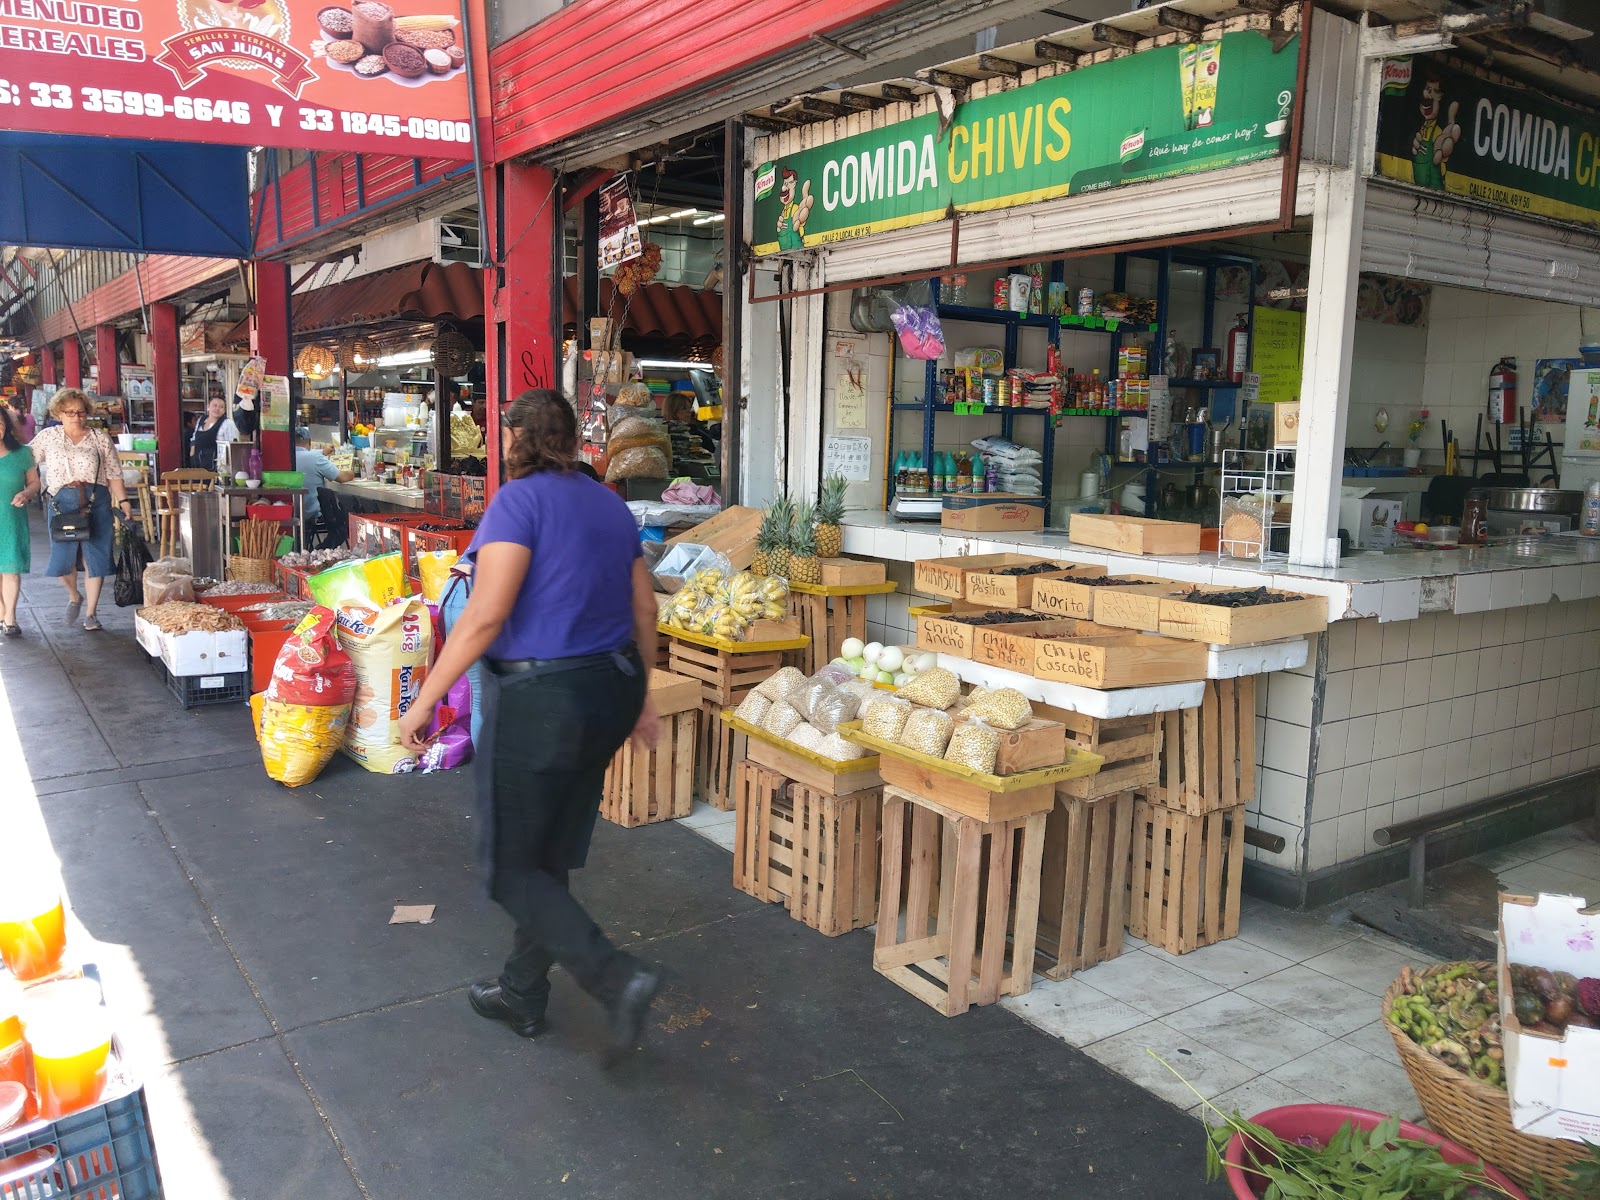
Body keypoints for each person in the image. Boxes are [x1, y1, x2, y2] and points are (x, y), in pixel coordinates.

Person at [397, 389, 662, 1056]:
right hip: (612, 689)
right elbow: (646, 612)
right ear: (572, 439)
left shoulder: (518, 502)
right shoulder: (609, 503)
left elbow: (485, 616)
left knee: (511, 869)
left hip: (546, 699)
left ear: (515, 438)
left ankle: (615, 976)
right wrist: (646, 697)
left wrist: (425, 700)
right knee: (544, 856)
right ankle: (522, 991)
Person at [30, 388, 132, 632]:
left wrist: (124, 501)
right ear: (58, 412)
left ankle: (91, 613)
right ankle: (75, 595)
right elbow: (25, 463)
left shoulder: (99, 438)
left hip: (96, 501)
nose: (76, 416)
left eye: (81, 412)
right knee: (61, 560)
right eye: (69, 412)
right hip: (61, 502)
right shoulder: (48, 437)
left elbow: (113, 473)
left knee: (95, 556)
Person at [0, 406, 41, 637]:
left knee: (11, 568)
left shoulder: (22, 454)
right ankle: (2, 612)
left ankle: (10, 618)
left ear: (6, 426)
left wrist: (27, 494)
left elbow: (34, 482)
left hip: (10, 518)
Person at [294, 426, 353, 526]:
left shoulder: (287, 456)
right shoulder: (315, 457)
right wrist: (352, 473)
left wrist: (322, 452)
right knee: (345, 516)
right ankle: (332, 540)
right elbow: (342, 478)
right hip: (312, 515)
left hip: (292, 512)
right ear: (309, 441)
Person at [190, 396, 239, 474]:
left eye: (221, 407)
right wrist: (192, 453)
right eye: (215, 405)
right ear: (208, 407)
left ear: (224, 410)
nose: (217, 409)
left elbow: (233, 447)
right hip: (198, 466)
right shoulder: (201, 420)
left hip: (217, 469)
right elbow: (194, 438)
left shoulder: (227, 423)